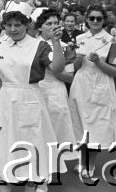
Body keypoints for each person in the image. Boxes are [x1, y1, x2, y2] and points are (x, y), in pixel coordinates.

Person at [0, 10, 65, 192]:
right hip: (5, 102)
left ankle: (32, 185)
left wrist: (55, 42)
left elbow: (57, 67)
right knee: (5, 145)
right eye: (8, 25)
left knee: (31, 144)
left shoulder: (38, 46)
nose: (13, 29)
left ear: (27, 25)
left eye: (18, 25)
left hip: (30, 99)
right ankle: (5, 184)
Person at [68, 5, 116, 177]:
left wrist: (99, 62)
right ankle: (81, 161)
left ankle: (90, 165)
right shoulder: (80, 38)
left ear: (104, 20)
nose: (95, 21)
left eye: (99, 18)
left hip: (101, 85)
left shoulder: (111, 40)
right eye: (92, 18)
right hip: (82, 85)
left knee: (96, 128)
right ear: (87, 20)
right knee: (81, 125)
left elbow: (115, 71)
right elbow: (74, 67)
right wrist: (76, 58)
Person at [34, 9, 77, 159]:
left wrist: (53, 69)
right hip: (35, 91)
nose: (53, 26)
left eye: (55, 23)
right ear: (39, 27)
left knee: (56, 130)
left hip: (56, 92)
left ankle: (52, 168)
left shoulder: (66, 47)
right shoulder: (31, 45)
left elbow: (71, 78)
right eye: (48, 23)